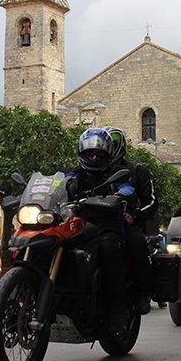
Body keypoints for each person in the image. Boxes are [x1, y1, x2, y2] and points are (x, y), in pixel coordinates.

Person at [66, 128, 133, 336]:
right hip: (78, 225)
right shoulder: (74, 172)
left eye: (99, 154)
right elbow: (58, 181)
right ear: (82, 153)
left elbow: (127, 188)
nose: (94, 157)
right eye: (90, 154)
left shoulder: (114, 174)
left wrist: (120, 195)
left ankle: (117, 311)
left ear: (107, 155)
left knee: (108, 249)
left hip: (107, 226)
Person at [104, 126, 157, 315]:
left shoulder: (137, 171)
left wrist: (134, 215)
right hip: (96, 223)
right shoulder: (91, 169)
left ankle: (142, 293)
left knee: (137, 244)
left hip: (125, 224)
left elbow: (151, 201)